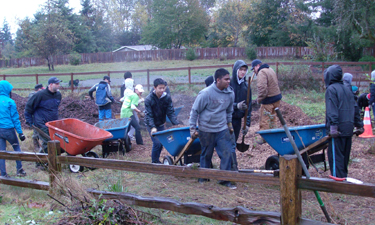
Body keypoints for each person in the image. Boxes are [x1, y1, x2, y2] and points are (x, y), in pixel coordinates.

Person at [189, 68, 236, 189]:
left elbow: (229, 110)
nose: (228, 81)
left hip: (222, 128)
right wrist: (192, 129)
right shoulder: (206, 93)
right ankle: (204, 177)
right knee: (206, 154)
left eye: (229, 79)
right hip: (206, 129)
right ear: (218, 80)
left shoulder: (230, 93)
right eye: (226, 79)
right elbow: (194, 111)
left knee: (227, 153)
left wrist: (229, 124)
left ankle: (224, 179)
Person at [324, 65, 364, 178]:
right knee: (344, 155)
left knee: (336, 156)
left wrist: (333, 127)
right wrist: (359, 125)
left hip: (338, 130)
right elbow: (355, 108)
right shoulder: (348, 88)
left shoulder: (331, 90)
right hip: (348, 128)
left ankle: (338, 181)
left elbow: (332, 110)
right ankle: (343, 177)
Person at [25, 77, 62, 158]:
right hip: (41, 123)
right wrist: (29, 121)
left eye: (59, 84)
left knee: (54, 141)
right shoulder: (40, 95)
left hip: (53, 123)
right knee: (47, 142)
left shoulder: (58, 95)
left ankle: (51, 159)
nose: (59, 85)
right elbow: (28, 108)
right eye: (57, 84)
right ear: (51, 85)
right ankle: (41, 162)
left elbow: (55, 108)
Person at [144, 78, 179, 163]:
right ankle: (154, 162)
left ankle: (156, 160)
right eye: (160, 88)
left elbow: (170, 112)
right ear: (155, 88)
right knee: (157, 143)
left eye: (163, 88)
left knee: (163, 143)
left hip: (160, 124)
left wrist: (177, 124)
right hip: (150, 124)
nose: (162, 90)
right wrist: (152, 127)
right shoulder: (149, 99)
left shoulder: (166, 98)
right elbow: (149, 115)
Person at [251, 59, 282, 144]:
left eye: (253, 69)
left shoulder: (261, 72)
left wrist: (259, 99)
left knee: (264, 119)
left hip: (268, 99)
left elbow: (262, 89)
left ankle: (264, 138)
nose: (254, 71)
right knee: (273, 116)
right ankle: (274, 135)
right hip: (277, 97)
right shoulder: (270, 69)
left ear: (257, 66)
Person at [0, 80, 27, 178]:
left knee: (1, 152)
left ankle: (3, 173)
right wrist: (20, 133)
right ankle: (19, 170)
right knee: (16, 148)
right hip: (9, 130)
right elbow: (15, 119)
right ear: (7, 90)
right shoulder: (10, 102)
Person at [229, 60, 252, 170]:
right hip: (227, 119)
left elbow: (249, 106)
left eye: (244, 70)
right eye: (241, 70)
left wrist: (247, 124)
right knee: (230, 143)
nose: (243, 72)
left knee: (232, 143)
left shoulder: (246, 86)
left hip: (238, 120)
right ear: (236, 70)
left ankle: (230, 166)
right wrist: (236, 105)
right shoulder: (229, 84)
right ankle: (233, 167)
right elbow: (223, 102)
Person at [120, 79, 144, 145]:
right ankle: (139, 142)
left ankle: (124, 141)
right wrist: (139, 111)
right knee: (137, 127)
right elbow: (132, 106)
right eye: (140, 91)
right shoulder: (134, 95)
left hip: (123, 112)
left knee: (127, 128)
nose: (141, 93)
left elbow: (122, 99)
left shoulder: (127, 92)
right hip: (128, 113)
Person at [28, 84, 45, 152]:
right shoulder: (33, 95)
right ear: (38, 89)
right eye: (41, 89)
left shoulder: (39, 95)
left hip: (41, 115)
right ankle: (36, 146)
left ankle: (41, 145)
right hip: (35, 116)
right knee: (36, 131)